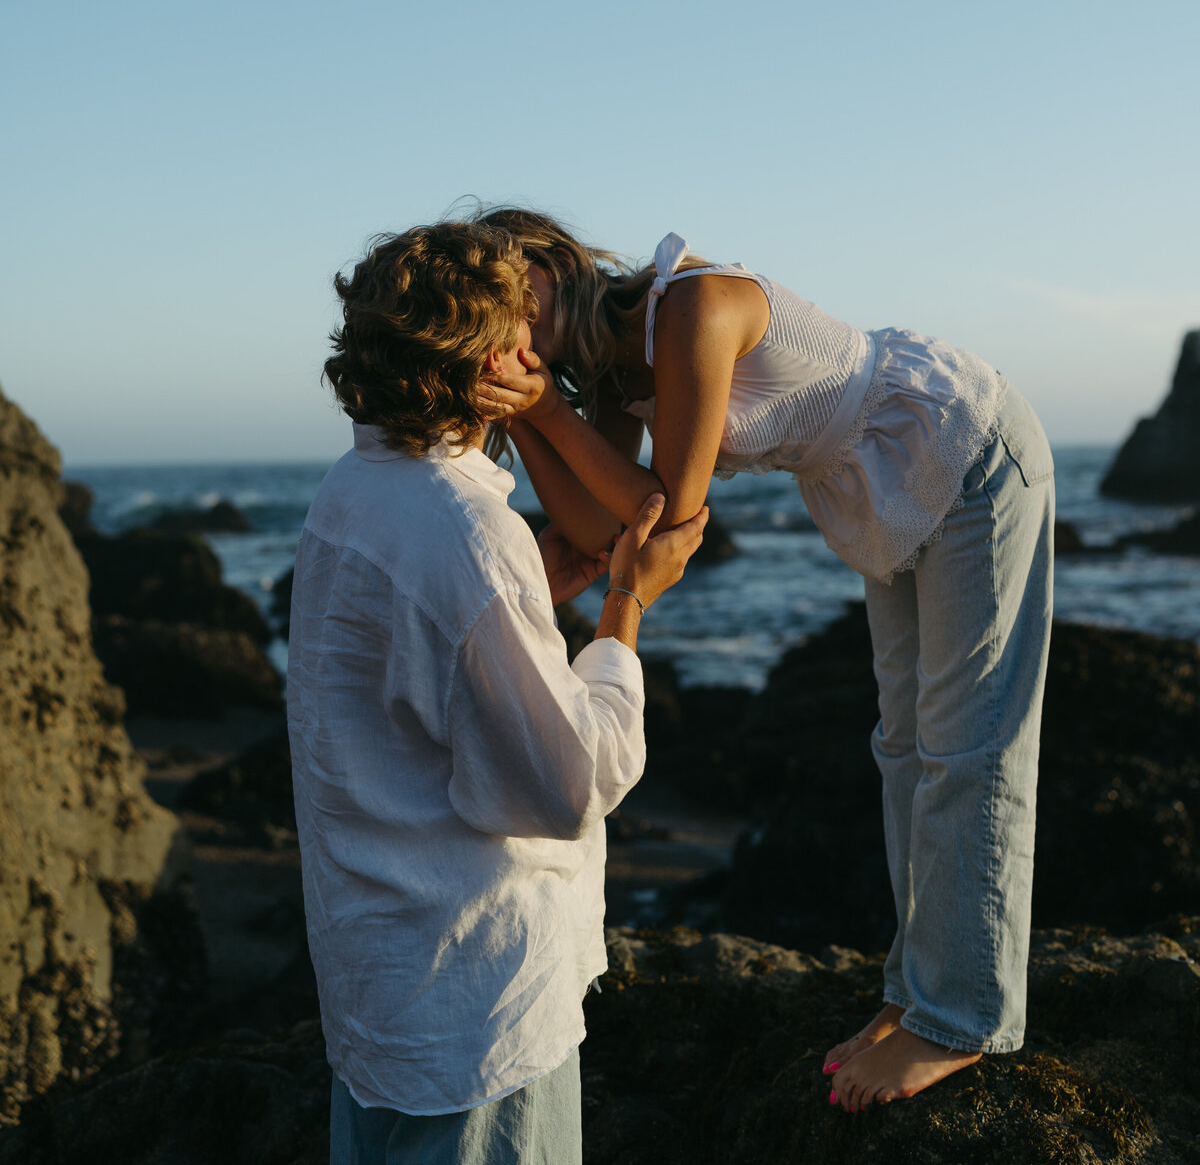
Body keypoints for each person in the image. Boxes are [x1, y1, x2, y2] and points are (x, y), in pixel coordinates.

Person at [478, 210, 1056, 1114]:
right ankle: (914, 994)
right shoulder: (606, 369)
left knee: (969, 746)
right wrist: (542, 414)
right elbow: (601, 532)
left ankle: (961, 1018)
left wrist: (544, 409)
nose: (513, 325)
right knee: (904, 749)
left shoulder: (692, 309)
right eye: (492, 313)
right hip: (886, 482)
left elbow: (667, 519)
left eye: (521, 292)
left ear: (560, 263)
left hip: (962, 445)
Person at [287, 220, 708, 1165]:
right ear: (479, 362)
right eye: (520, 333)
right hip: (475, 1011)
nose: (540, 360)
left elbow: (388, 687)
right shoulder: (468, 531)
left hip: (376, 989)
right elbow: (568, 785)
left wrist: (532, 606)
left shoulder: (350, 492)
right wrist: (626, 607)